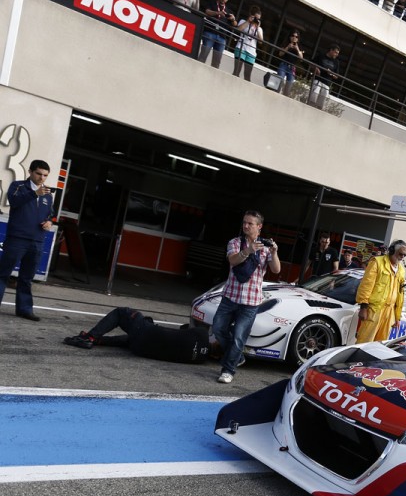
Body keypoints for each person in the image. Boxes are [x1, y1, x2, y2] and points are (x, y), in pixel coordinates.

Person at [211, 211, 281, 383]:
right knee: (218, 328)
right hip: (230, 297)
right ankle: (236, 357)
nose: (246, 226)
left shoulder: (265, 247)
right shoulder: (235, 242)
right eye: (244, 223)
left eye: (250, 223)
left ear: (259, 226)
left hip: (250, 302)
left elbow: (276, 270)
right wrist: (248, 251)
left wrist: (274, 252)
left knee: (238, 337)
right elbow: (233, 261)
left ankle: (228, 370)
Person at [1, 160, 55, 321]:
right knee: (3, 274)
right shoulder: (18, 186)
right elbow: (14, 201)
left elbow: (50, 214)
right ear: (30, 172)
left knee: (26, 278)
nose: (41, 178)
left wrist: (49, 222)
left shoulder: (48, 194)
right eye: (38, 173)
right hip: (17, 238)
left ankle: (24, 309)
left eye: (45, 175)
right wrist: (34, 193)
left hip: (37, 240)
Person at [63, 307, 209, 363]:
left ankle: (89, 337)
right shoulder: (200, 360)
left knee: (121, 313)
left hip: (146, 332)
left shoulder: (203, 334)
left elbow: (184, 328)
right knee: (132, 339)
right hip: (142, 350)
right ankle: (99, 341)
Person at [355, 239, 406, 343]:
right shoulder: (377, 262)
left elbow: (400, 294)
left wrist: (397, 317)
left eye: (405, 255)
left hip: (389, 312)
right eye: (401, 254)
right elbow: (366, 285)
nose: (402, 257)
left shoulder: (401, 269)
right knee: (364, 342)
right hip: (374, 310)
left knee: (380, 344)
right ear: (392, 251)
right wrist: (363, 307)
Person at [199, 0, 237, 69]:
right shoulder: (212, 3)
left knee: (216, 63)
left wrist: (233, 19)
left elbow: (235, 24)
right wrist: (218, 13)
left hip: (222, 37)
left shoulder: (228, 10)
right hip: (210, 32)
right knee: (203, 56)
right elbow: (207, 11)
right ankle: (196, 71)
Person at [232, 6, 264, 82]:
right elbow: (238, 30)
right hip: (241, 48)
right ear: (251, 16)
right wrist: (248, 22)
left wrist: (257, 28)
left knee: (247, 76)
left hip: (251, 52)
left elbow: (260, 42)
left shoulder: (259, 29)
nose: (256, 20)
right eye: (255, 18)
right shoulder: (243, 21)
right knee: (236, 71)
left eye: (258, 19)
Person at [310, 44, 340, 109]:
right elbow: (311, 63)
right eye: (335, 52)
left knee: (322, 101)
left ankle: (318, 112)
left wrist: (331, 73)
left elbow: (336, 76)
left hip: (327, 83)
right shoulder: (321, 56)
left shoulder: (336, 62)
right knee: (314, 95)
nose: (336, 54)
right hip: (318, 79)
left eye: (337, 53)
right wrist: (316, 68)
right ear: (331, 50)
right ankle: (309, 107)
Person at [277, 30, 304, 97]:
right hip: (284, 65)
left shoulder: (299, 46)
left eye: (296, 37)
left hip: (292, 68)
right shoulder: (286, 43)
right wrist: (288, 47)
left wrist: (297, 49)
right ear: (290, 36)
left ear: (298, 39)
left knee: (289, 86)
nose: (294, 38)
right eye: (293, 36)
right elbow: (280, 54)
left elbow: (301, 59)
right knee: (279, 81)